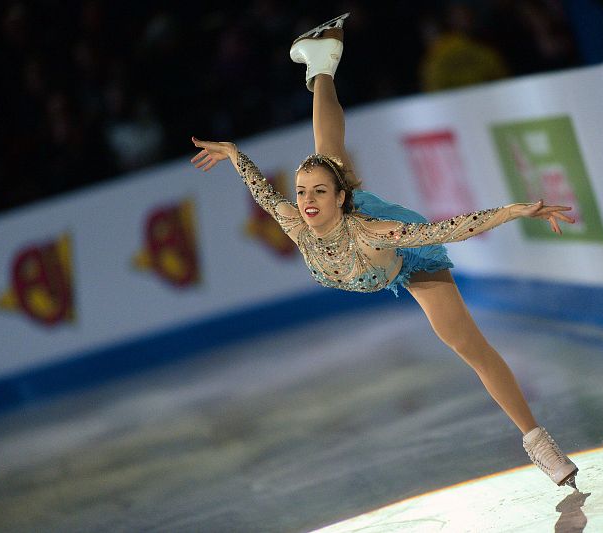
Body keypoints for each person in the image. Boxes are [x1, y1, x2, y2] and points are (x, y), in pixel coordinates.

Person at [190, 13, 579, 489]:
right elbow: (263, 193)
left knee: (467, 345)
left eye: (317, 193)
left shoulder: (375, 231)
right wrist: (233, 153)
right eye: (302, 192)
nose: (306, 201)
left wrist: (516, 210)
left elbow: (447, 229)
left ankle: (539, 442)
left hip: (398, 255)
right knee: (326, 154)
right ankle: (322, 59)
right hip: (355, 234)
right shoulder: (296, 221)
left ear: (340, 199)